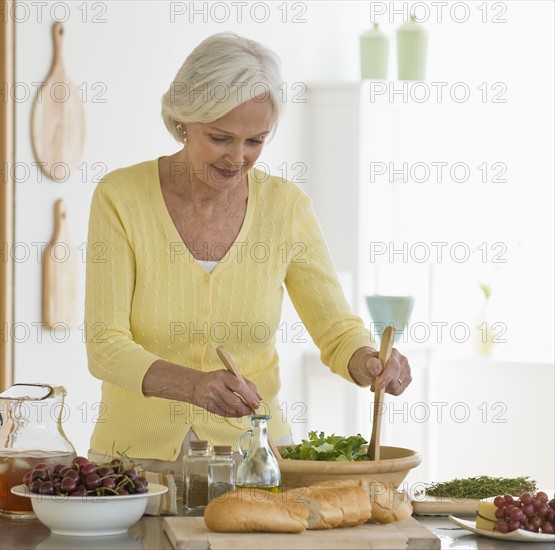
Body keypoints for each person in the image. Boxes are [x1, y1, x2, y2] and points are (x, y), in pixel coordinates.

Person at [84, 32, 412, 504]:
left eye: (255, 141)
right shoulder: (120, 198)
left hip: (254, 465)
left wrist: (367, 360)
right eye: (220, 138)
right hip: (133, 471)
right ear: (183, 121)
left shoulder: (286, 209)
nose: (237, 159)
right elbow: (105, 345)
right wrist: (193, 386)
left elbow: (337, 329)